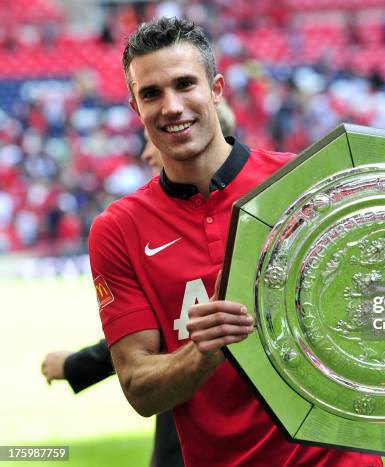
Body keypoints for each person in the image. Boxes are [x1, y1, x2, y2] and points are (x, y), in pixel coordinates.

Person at [88, 17, 385, 467]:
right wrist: (203, 354)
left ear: (216, 88)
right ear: (134, 107)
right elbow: (138, 385)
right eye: (151, 93)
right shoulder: (118, 229)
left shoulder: (306, 184)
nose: (171, 106)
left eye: (185, 85)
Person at [41, 100, 237, 467]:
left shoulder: (259, 202)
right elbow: (139, 339)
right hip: (179, 395)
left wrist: (74, 366)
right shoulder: (127, 225)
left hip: (214, 413)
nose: (150, 155)